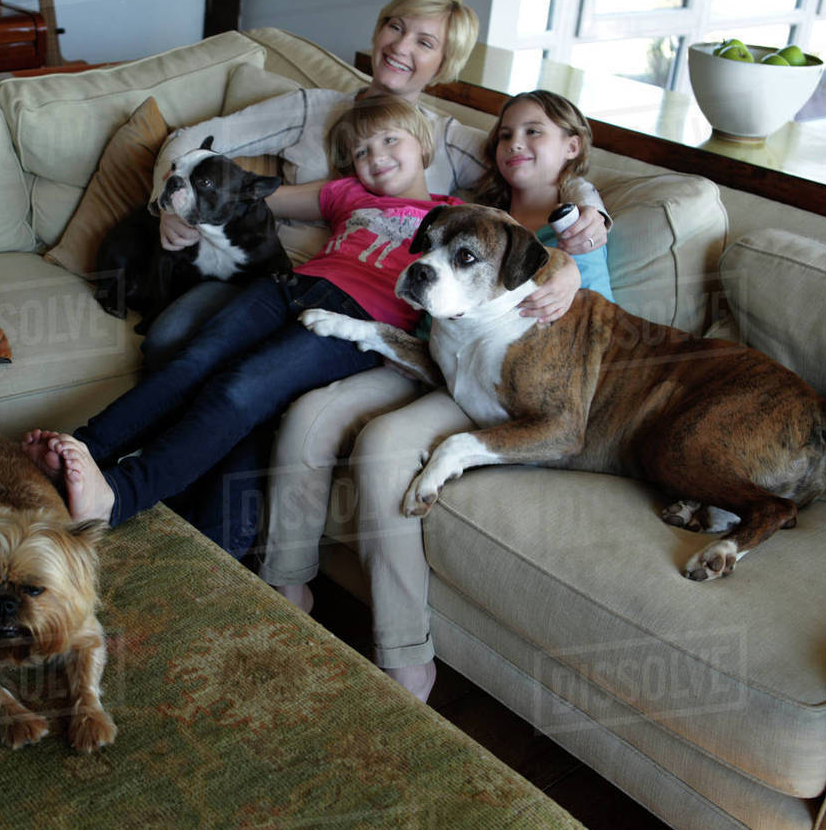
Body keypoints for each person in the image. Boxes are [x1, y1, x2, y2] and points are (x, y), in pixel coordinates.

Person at [259, 90, 613, 702]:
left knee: (383, 448)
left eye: (534, 133)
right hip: (423, 355)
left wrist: (582, 225)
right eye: (504, 135)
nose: (514, 145)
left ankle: (404, 656)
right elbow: (411, 136)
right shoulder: (472, 203)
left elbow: (586, 316)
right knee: (308, 419)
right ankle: (284, 589)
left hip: (494, 384)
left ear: (574, 147)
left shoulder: (578, 232)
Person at [22, 97, 462, 552]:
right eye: (361, 151)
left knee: (239, 389)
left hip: (355, 321)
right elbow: (237, 190)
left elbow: (510, 257)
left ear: (425, 143)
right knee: (192, 360)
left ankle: (119, 493)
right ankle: (80, 450)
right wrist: (177, 211)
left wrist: (547, 277)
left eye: (389, 140)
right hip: (287, 285)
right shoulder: (347, 192)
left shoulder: (455, 216)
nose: (375, 156)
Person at [142, 0, 610, 367]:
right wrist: (170, 209)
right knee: (169, 338)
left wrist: (590, 220)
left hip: (366, 298)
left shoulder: (446, 138)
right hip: (262, 272)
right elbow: (193, 138)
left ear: (444, 64)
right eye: (395, 27)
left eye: (424, 43)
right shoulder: (312, 108)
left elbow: (532, 165)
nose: (400, 47)